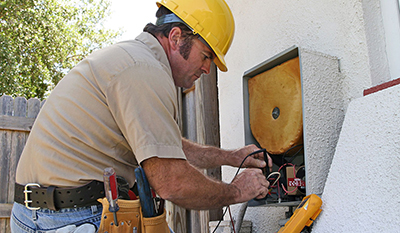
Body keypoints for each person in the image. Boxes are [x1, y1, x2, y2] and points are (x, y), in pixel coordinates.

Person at [10, 0, 271, 232]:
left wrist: (231, 157)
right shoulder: (144, 70)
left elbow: (167, 146)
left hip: (38, 214)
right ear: (177, 37)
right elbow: (172, 182)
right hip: (69, 220)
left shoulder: (134, 59)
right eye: (206, 56)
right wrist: (238, 191)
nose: (206, 68)